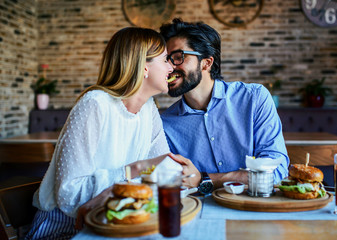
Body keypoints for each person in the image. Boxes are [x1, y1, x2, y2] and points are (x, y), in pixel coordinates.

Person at [26, 27, 176, 239]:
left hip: (117, 218)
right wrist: (132, 172)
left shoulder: (148, 108)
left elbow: (161, 167)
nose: (171, 67)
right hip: (66, 226)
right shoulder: (95, 104)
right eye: (165, 60)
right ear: (144, 67)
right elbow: (69, 194)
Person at [159, 19, 289, 193]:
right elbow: (173, 179)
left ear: (206, 62)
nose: (169, 67)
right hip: (198, 212)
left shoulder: (254, 98)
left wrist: (205, 179)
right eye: (166, 60)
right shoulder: (165, 124)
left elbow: (276, 171)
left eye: (177, 57)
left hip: (255, 208)